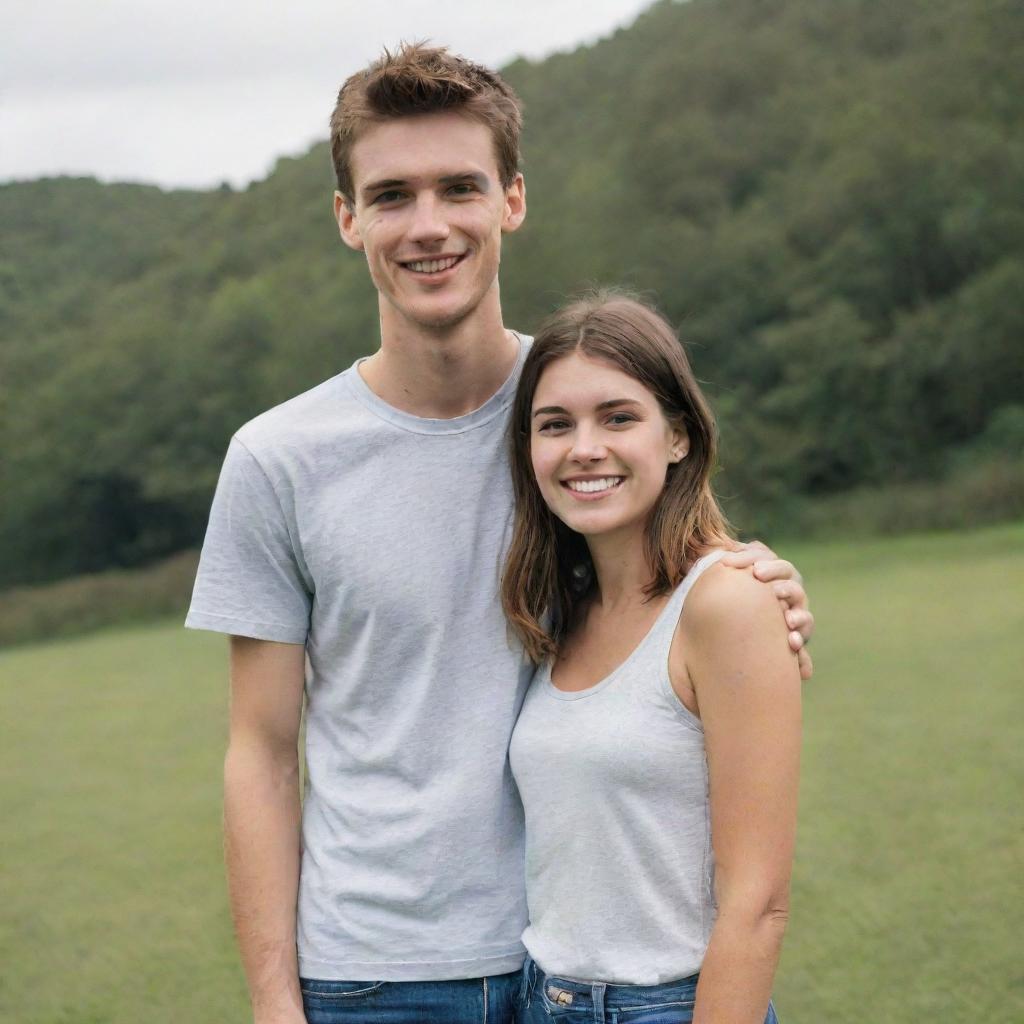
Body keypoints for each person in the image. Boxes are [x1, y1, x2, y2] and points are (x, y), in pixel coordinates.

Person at [185, 45, 814, 1024]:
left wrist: (758, 579)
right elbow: (260, 754)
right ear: (348, 219)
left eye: (460, 188)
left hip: (576, 959)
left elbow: (675, 582)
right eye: (391, 195)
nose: (428, 225)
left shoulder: (573, 411)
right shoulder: (277, 459)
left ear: (511, 200)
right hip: (375, 976)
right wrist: (274, 1001)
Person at [503, 292, 801, 1024]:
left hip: (666, 1007)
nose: (584, 448)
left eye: (618, 417)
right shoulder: (558, 612)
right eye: (555, 425)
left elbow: (757, 906)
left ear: (678, 437)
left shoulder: (727, 603)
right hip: (540, 997)